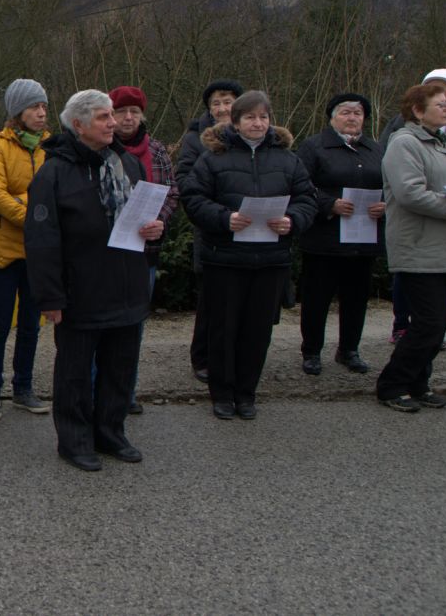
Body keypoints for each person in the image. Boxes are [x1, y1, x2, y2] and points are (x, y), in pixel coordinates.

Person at [26, 90, 161, 472]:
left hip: (127, 285)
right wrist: (50, 298)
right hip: (80, 292)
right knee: (74, 373)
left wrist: (154, 230)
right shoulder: (53, 173)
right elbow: (41, 240)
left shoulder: (126, 163)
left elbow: (140, 218)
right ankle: (74, 440)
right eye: (104, 117)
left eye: (111, 116)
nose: (113, 123)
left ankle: (110, 433)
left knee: (119, 368)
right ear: (79, 125)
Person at [181, 90, 316, 420]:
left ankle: (246, 393)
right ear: (236, 122)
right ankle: (222, 394)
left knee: (258, 332)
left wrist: (292, 220)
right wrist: (224, 218)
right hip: (224, 258)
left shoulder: (288, 159)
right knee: (223, 330)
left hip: (270, 260)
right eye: (250, 117)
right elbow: (193, 198)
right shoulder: (213, 157)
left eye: (263, 117)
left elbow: (307, 199)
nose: (258, 123)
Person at [375, 84, 446, 412]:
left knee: (441, 324)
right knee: (429, 323)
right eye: (440, 104)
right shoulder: (404, 143)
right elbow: (410, 193)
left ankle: (418, 383)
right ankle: (391, 384)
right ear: (417, 110)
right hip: (419, 246)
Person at [295, 93, 386, 376]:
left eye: (358, 113)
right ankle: (312, 350)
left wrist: (385, 204)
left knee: (357, 298)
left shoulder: (376, 149)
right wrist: (328, 204)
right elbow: (300, 184)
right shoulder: (314, 147)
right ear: (332, 117)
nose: (352, 118)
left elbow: (392, 185)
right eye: (345, 112)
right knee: (317, 298)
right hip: (324, 237)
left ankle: (349, 349)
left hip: (364, 238)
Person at [0, 79, 52, 421]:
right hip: (2, 253)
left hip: (37, 253)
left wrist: (25, 203)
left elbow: (56, 194)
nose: (41, 113)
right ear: (18, 112)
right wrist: (35, 215)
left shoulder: (51, 147)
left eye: (44, 106)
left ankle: (23, 388)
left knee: (30, 326)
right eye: (34, 106)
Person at [110, 85, 179, 413]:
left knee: (134, 326)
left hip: (146, 252)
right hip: (108, 254)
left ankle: (127, 391)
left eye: (134, 112)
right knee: (105, 326)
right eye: (121, 111)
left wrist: (160, 221)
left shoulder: (157, 149)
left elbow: (171, 192)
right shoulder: (101, 148)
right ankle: (99, 389)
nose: (128, 118)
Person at [176, 79, 243, 383]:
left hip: (251, 231)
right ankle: (203, 357)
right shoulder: (194, 139)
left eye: (228, 102)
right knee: (211, 301)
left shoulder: (255, 135)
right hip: (213, 226)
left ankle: (237, 355)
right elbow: (185, 180)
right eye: (216, 103)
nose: (222, 108)